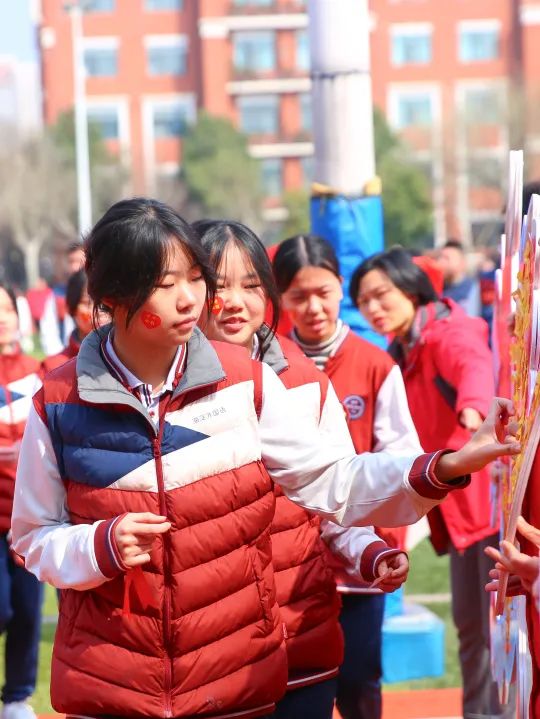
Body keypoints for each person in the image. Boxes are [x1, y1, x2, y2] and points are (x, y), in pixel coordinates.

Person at [12, 199, 518, 719]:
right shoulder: (58, 400)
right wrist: (98, 546)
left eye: (194, 277)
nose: (192, 299)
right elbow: (31, 536)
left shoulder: (245, 382)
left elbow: (332, 480)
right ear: (113, 295)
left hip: (236, 686)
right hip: (112, 691)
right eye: (166, 284)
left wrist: (451, 463)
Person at [194, 219, 409, 719]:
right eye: (218, 285)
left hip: (299, 633)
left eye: (251, 285)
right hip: (207, 653)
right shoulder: (159, 392)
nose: (236, 301)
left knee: (360, 687)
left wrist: (371, 547)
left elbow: (337, 487)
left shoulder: (308, 381)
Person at [351, 247, 514, 719]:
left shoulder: (447, 331)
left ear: (411, 287)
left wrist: (473, 406)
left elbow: (472, 362)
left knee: (485, 629)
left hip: (488, 503)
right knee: (474, 627)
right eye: (364, 302)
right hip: (455, 499)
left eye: (381, 295)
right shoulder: (402, 349)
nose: (374, 308)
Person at [272, 235, 421, 719]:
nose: (313, 307)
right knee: (292, 689)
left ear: (340, 288)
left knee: (359, 684)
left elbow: (401, 456)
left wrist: (375, 538)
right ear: (280, 299)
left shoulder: (377, 365)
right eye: (298, 295)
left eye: (324, 291)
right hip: (292, 566)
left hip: (361, 561)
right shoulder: (267, 369)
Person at [0, 283, 43, 719]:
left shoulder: (39, 370)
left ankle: (17, 697)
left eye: (6, 308)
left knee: (29, 610)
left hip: (27, 516)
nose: (1, 318)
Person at [41, 269, 97, 374]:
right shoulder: (53, 368)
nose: (98, 310)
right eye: (88, 303)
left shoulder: (129, 363)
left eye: (105, 302)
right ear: (71, 308)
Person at [39, 242, 85, 355]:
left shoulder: (99, 293)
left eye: (79, 261)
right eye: (71, 261)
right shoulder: (57, 294)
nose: (75, 267)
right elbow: (48, 329)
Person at [438, 239, 481, 317]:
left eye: (446, 258)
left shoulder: (474, 289)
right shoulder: (437, 290)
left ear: (462, 262)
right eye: (440, 257)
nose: (441, 262)